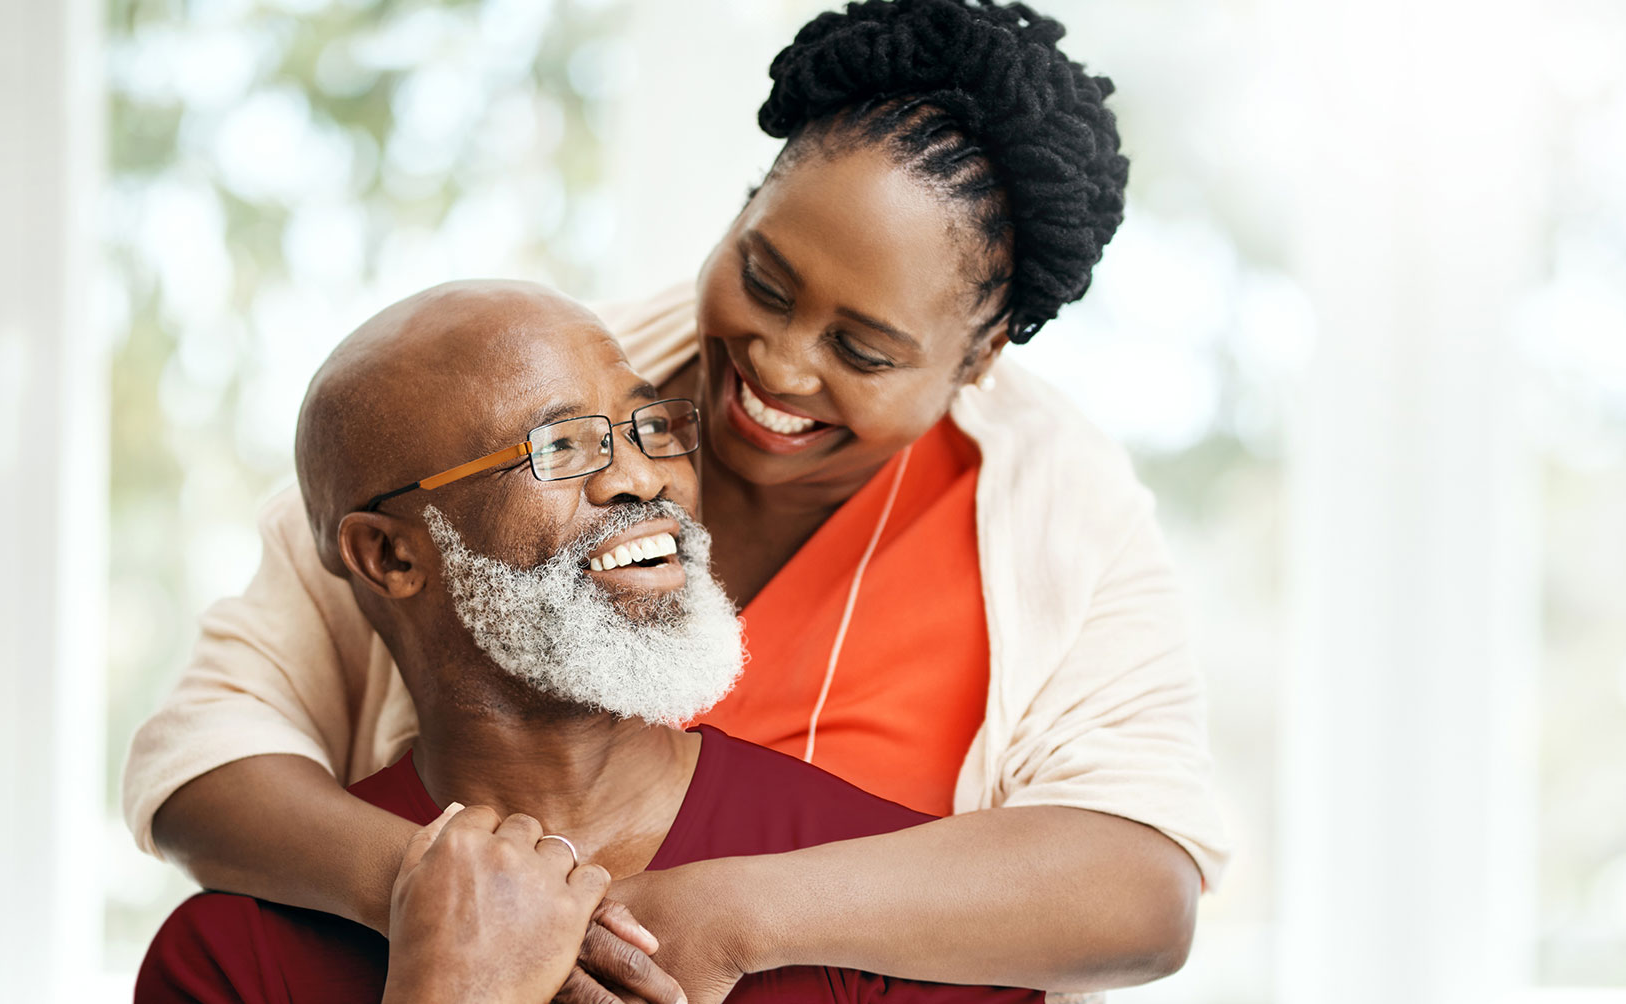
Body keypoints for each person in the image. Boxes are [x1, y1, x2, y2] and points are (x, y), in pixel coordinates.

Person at [125, 1, 1226, 1000]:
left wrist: (726, 917)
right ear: (746, 206)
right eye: (764, 279)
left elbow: (1138, 883)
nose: (781, 366)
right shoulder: (487, 393)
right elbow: (204, 759)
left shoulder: (1056, 510)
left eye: (861, 347)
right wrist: (458, 905)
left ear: (976, 356)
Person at [138, 280, 1042, 1004]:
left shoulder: (896, 910)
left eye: (649, 426)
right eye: (560, 446)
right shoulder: (226, 962)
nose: (641, 475)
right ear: (389, 555)